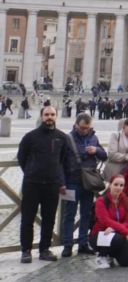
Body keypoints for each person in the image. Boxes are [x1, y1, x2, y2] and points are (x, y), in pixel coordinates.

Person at [16, 105, 69, 264]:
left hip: (51, 185)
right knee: (27, 219)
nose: (49, 117)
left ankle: (44, 249)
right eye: (47, 114)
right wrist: (31, 172)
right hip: (32, 183)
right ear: (41, 116)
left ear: (56, 116)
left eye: (52, 114)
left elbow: (62, 159)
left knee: (49, 219)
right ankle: (26, 251)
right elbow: (22, 158)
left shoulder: (62, 137)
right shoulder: (30, 137)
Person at [62, 112, 107, 257]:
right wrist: (61, 182)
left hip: (89, 183)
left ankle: (83, 243)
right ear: (76, 125)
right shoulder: (67, 139)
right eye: (82, 128)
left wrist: (96, 150)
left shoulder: (93, 137)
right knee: (69, 214)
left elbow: (104, 155)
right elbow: (60, 162)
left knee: (86, 214)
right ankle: (67, 245)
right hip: (71, 182)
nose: (85, 130)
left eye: (87, 128)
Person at [89, 174, 128, 268]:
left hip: (118, 233)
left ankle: (111, 254)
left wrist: (116, 229)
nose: (118, 188)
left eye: (121, 185)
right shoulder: (101, 201)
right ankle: (101, 256)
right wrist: (125, 232)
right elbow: (105, 220)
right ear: (110, 184)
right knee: (117, 238)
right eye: (115, 184)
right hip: (99, 234)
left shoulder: (127, 201)